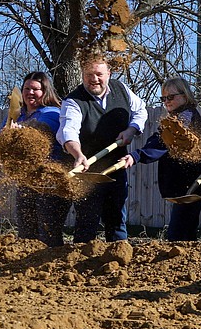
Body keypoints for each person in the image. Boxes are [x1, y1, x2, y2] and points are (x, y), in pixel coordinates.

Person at [58, 55, 148, 243]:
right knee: (87, 221)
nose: (94, 79)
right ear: (82, 74)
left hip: (116, 167)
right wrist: (78, 154)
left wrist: (132, 129)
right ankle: (80, 263)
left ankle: (118, 260)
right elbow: (68, 131)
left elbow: (141, 110)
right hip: (88, 171)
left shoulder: (121, 89)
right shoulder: (73, 101)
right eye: (89, 74)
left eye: (99, 74)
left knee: (116, 219)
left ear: (109, 73)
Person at [121, 78, 201, 242]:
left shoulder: (185, 118)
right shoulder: (178, 117)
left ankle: (182, 263)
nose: (166, 102)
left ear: (184, 96)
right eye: (163, 98)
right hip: (187, 186)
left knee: (177, 234)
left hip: (191, 185)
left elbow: (162, 142)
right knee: (185, 231)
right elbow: (158, 137)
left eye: (171, 97)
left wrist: (137, 155)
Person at [15, 71, 71, 247]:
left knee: (48, 231)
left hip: (51, 180)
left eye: (35, 89)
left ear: (45, 92)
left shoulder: (52, 113)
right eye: (27, 88)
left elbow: (41, 130)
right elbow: (4, 135)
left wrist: (21, 132)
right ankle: (25, 267)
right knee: (26, 231)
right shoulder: (18, 116)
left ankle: (51, 269)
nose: (30, 92)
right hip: (26, 180)